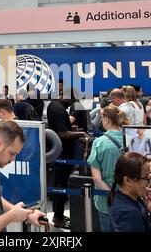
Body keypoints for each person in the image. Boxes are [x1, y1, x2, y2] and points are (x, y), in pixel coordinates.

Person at [47, 92, 89, 229]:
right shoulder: (59, 109)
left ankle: (57, 214)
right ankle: (58, 217)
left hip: (60, 152)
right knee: (61, 184)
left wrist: (72, 129)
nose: (72, 103)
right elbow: (63, 134)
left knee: (60, 182)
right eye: (72, 99)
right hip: (63, 153)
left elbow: (63, 129)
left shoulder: (54, 105)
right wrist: (81, 134)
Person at [87, 104, 127, 232]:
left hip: (106, 201)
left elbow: (97, 178)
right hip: (130, 198)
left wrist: (112, 195)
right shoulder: (131, 138)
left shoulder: (99, 143)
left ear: (106, 120)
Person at [108, 152, 151, 232]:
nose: (149, 181)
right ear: (128, 180)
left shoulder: (131, 199)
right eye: (146, 177)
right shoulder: (130, 214)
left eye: (150, 175)